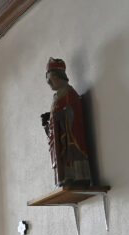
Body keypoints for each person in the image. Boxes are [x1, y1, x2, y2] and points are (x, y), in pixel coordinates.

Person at [42, 58, 92, 187]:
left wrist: (63, 114)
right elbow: (55, 116)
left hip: (69, 135)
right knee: (60, 154)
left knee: (70, 151)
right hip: (58, 135)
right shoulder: (56, 97)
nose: (49, 82)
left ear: (60, 76)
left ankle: (76, 176)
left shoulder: (70, 93)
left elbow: (74, 112)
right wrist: (49, 123)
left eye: (51, 78)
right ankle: (63, 177)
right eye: (47, 80)